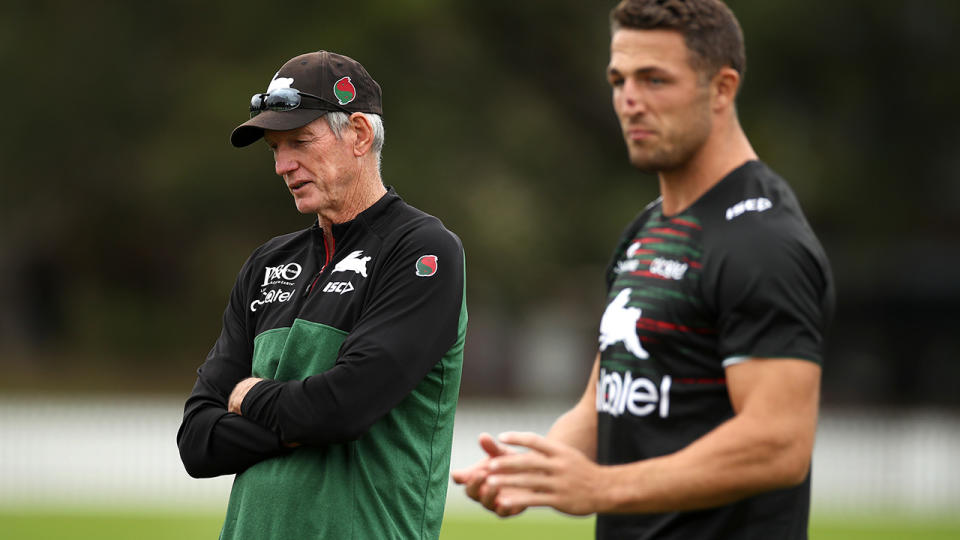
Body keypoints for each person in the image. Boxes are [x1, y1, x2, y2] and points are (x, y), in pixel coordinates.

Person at [452, 1, 834, 538]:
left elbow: (778, 443)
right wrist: (536, 467)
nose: (629, 101)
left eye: (655, 80)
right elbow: (604, 398)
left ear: (722, 88)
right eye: (619, 79)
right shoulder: (649, 228)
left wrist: (601, 487)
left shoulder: (761, 242)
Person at [176, 50, 468, 540]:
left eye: (299, 142)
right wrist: (300, 421)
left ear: (358, 133)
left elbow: (343, 408)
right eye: (275, 148)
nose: (282, 165)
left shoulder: (423, 249)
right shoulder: (266, 263)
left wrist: (250, 396)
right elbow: (197, 441)